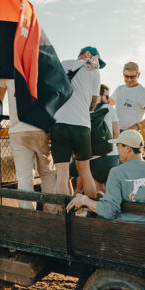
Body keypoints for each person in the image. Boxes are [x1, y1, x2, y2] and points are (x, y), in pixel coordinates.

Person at [66, 130, 145, 226]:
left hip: (124, 230)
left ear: (128, 148)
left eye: (118, 146)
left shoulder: (117, 172)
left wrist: (84, 200)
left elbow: (109, 211)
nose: (117, 150)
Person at [0, 72, 56, 210]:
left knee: (24, 177)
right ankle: (51, 212)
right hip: (42, 126)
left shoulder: (8, 69)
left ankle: (28, 214)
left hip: (19, 129)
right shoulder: (42, 62)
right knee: (48, 173)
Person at [52, 47, 102, 198]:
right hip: (81, 125)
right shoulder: (95, 72)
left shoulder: (64, 64)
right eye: (96, 58)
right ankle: (91, 211)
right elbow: (93, 104)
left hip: (59, 123)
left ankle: (64, 214)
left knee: (62, 174)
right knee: (85, 172)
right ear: (87, 55)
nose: (96, 62)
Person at [70, 84, 120, 192]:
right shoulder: (109, 108)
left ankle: (68, 205)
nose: (108, 100)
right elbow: (117, 134)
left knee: (65, 177)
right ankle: (101, 207)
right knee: (100, 187)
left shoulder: (82, 108)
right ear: (99, 96)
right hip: (109, 156)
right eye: (107, 96)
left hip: (87, 155)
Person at [111, 62, 145, 132]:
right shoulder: (119, 89)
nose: (129, 80)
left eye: (132, 77)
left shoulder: (143, 93)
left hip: (130, 135)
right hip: (114, 131)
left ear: (138, 75)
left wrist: (132, 129)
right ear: (123, 74)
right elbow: (108, 104)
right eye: (126, 76)